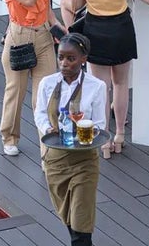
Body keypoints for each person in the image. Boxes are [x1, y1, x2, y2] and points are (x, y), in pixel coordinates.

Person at [67, 0, 149, 158]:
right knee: (120, 84)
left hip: (95, 32)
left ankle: (104, 140)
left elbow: (75, 5)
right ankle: (119, 135)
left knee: (101, 88)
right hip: (121, 31)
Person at [33, 33, 107, 246]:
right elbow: (39, 113)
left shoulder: (96, 86)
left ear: (83, 59)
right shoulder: (48, 83)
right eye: (61, 57)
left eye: (71, 58)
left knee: (81, 222)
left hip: (84, 160)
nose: (64, 63)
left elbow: (100, 123)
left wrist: (91, 133)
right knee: (68, 216)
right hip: (55, 160)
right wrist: (48, 128)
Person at [0, 0, 62, 156]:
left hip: (43, 35)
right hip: (19, 36)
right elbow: (27, 0)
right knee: (16, 90)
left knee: (45, 95)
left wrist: (56, 26)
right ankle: (9, 136)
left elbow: (45, 5)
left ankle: (48, 149)